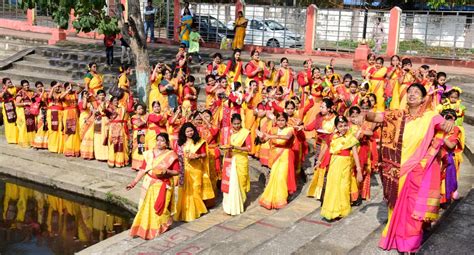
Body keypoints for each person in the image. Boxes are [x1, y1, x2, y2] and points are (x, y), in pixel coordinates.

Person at [362, 83, 454, 253]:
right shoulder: (397, 115)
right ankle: (396, 237)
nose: (411, 94)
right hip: (396, 168)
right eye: (409, 92)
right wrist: (363, 113)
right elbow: (376, 117)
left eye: (416, 92)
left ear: (423, 98)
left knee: (412, 208)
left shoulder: (430, 116)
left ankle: (409, 244)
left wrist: (448, 122)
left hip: (416, 169)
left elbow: (445, 126)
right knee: (395, 205)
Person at [127, 133, 179, 239]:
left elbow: (177, 171)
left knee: (161, 208)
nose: (159, 143)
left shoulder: (171, 155)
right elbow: (143, 169)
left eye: (162, 141)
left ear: (167, 143)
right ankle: (144, 229)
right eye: (158, 140)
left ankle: (159, 228)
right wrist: (134, 182)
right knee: (145, 207)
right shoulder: (149, 154)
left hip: (163, 184)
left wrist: (167, 171)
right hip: (148, 182)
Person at [319, 116, 362, 221]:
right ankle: (332, 211)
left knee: (343, 187)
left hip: (345, 165)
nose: (343, 128)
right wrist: (319, 160)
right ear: (336, 127)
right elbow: (326, 147)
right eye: (340, 126)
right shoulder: (332, 137)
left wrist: (359, 169)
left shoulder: (350, 137)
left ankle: (342, 211)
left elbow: (355, 154)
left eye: (345, 125)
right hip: (334, 164)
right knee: (332, 187)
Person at [174, 122, 214, 222]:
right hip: (185, 169)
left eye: (191, 130)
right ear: (184, 133)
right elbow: (177, 156)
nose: (190, 133)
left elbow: (204, 154)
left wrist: (197, 156)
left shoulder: (199, 141)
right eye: (187, 131)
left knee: (196, 190)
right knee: (186, 191)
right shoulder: (180, 143)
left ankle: (198, 210)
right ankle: (187, 212)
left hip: (196, 169)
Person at [257, 112, 295, 209]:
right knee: (274, 176)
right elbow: (264, 140)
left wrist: (271, 136)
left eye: (283, 120)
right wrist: (261, 137)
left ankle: (280, 200)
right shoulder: (273, 130)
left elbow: (287, 137)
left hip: (285, 155)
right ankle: (270, 199)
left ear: (286, 121)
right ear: (276, 121)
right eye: (279, 120)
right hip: (274, 156)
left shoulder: (290, 129)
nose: (281, 122)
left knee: (282, 177)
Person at [220, 114, 251, 215]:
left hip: (241, 159)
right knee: (229, 182)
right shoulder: (226, 132)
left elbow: (249, 148)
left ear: (241, 122)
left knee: (241, 181)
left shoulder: (245, 133)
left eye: (238, 124)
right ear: (231, 123)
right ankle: (229, 205)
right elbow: (221, 144)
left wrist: (236, 147)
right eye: (234, 124)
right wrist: (223, 147)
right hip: (229, 158)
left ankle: (240, 202)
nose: (237, 126)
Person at [61, 82, 81, 157]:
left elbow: (82, 89)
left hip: (75, 113)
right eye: (68, 87)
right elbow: (61, 98)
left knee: (75, 131)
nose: (70, 88)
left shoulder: (74, 93)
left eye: (71, 87)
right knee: (68, 131)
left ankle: (75, 150)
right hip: (67, 113)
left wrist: (75, 84)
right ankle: (68, 149)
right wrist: (67, 91)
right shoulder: (64, 94)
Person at [15, 80, 36, 148]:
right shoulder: (20, 93)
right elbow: (17, 103)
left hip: (31, 112)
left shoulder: (31, 92)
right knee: (25, 127)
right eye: (25, 85)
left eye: (27, 85)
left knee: (32, 126)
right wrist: (26, 103)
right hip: (24, 112)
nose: (27, 86)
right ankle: (25, 142)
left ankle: (32, 142)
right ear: (22, 86)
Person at [1, 78, 19, 144]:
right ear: (5, 84)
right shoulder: (3, 90)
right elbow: (0, 97)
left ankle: (16, 138)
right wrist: (5, 88)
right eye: (8, 82)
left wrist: (13, 85)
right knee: (9, 123)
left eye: (10, 82)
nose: (10, 83)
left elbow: (19, 87)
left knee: (15, 121)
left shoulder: (14, 88)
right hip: (6, 106)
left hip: (14, 105)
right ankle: (11, 139)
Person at [131, 104, 148, 170]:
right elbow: (138, 124)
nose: (141, 110)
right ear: (135, 111)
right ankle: (136, 165)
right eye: (139, 109)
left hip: (146, 134)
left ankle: (143, 165)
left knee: (144, 149)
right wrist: (145, 119)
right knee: (138, 150)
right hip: (139, 134)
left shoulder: (145, 116)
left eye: (142, 108)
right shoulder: (134, 117)